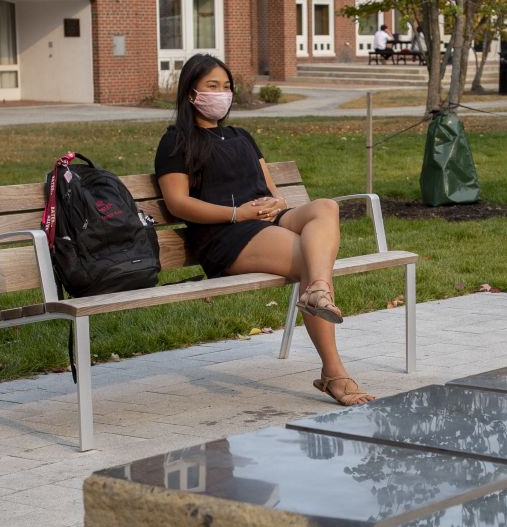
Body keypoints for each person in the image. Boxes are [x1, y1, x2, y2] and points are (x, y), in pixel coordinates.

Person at [154, 53, 375, 406]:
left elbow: (270, 187)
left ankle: (318, 290)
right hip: (225, 234)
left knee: (326, 207)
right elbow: (178, 203)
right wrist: (236, 214)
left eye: (227, 86)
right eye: (212, 86)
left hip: (265, 219)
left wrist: (274, 202)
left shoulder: (241, 135)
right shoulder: (176, 142)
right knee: (309, 256)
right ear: (190, 93)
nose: (222, 94)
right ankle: (334, 372)